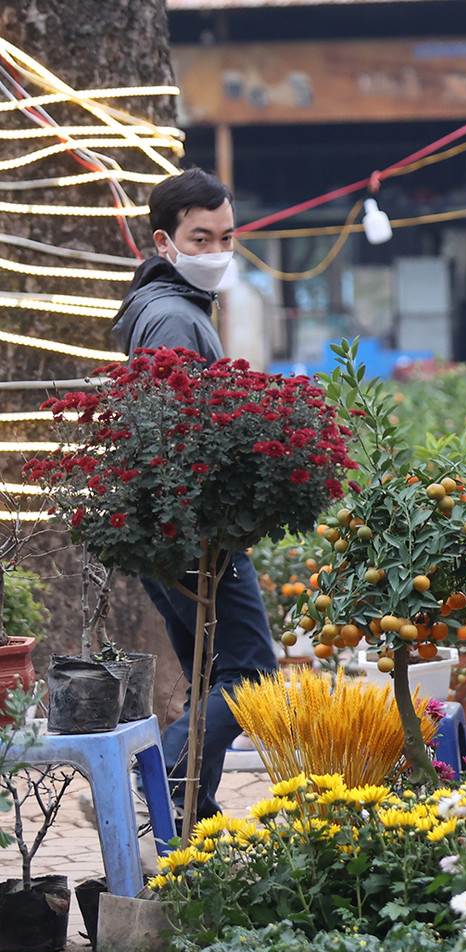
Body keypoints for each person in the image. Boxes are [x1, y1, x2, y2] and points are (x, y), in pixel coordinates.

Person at [111, 167, 278, 821]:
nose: (216, 252)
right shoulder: (173, 319)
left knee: (212, 674)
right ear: (164, 241)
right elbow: (172, 436)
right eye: (200, 238)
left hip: (169, 526)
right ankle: (168, 766)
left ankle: (191, 829)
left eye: (226, 237)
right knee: (248, 673)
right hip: (190, 529)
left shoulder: (163, 310)